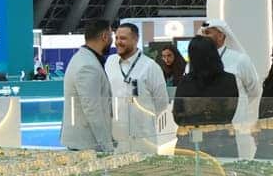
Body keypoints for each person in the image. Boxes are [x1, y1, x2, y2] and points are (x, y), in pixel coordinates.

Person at [106, 22, 173, 154]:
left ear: (135, 39)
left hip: (144, 139)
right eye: (116, 38)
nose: (118, 42)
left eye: (123, 38)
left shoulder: (150, 67)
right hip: (116, 139)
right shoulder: (110, 62)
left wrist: (143, 118)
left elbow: (162, 103)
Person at [202, 19, 262, 159]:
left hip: (235, 124)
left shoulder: (240, 60)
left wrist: (242, 109)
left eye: (208, 33)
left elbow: (254, 91)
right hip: (206, 129)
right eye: (203, 33)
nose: (204, 37)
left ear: (221, 35)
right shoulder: (197, 62)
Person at [174, 35, 239, 157]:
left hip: (192, 140)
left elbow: (178, 115)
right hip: (222, 140)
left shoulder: (185, 82)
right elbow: (230, 112)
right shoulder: (229, 80)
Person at [61, 19, 115, 154]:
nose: (112, 40)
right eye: (111, 35)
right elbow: (93, 110)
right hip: (87, 145)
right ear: (104, 36)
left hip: (84, 144)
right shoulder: (88, 65)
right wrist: (107, 147)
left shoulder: (83, 59)